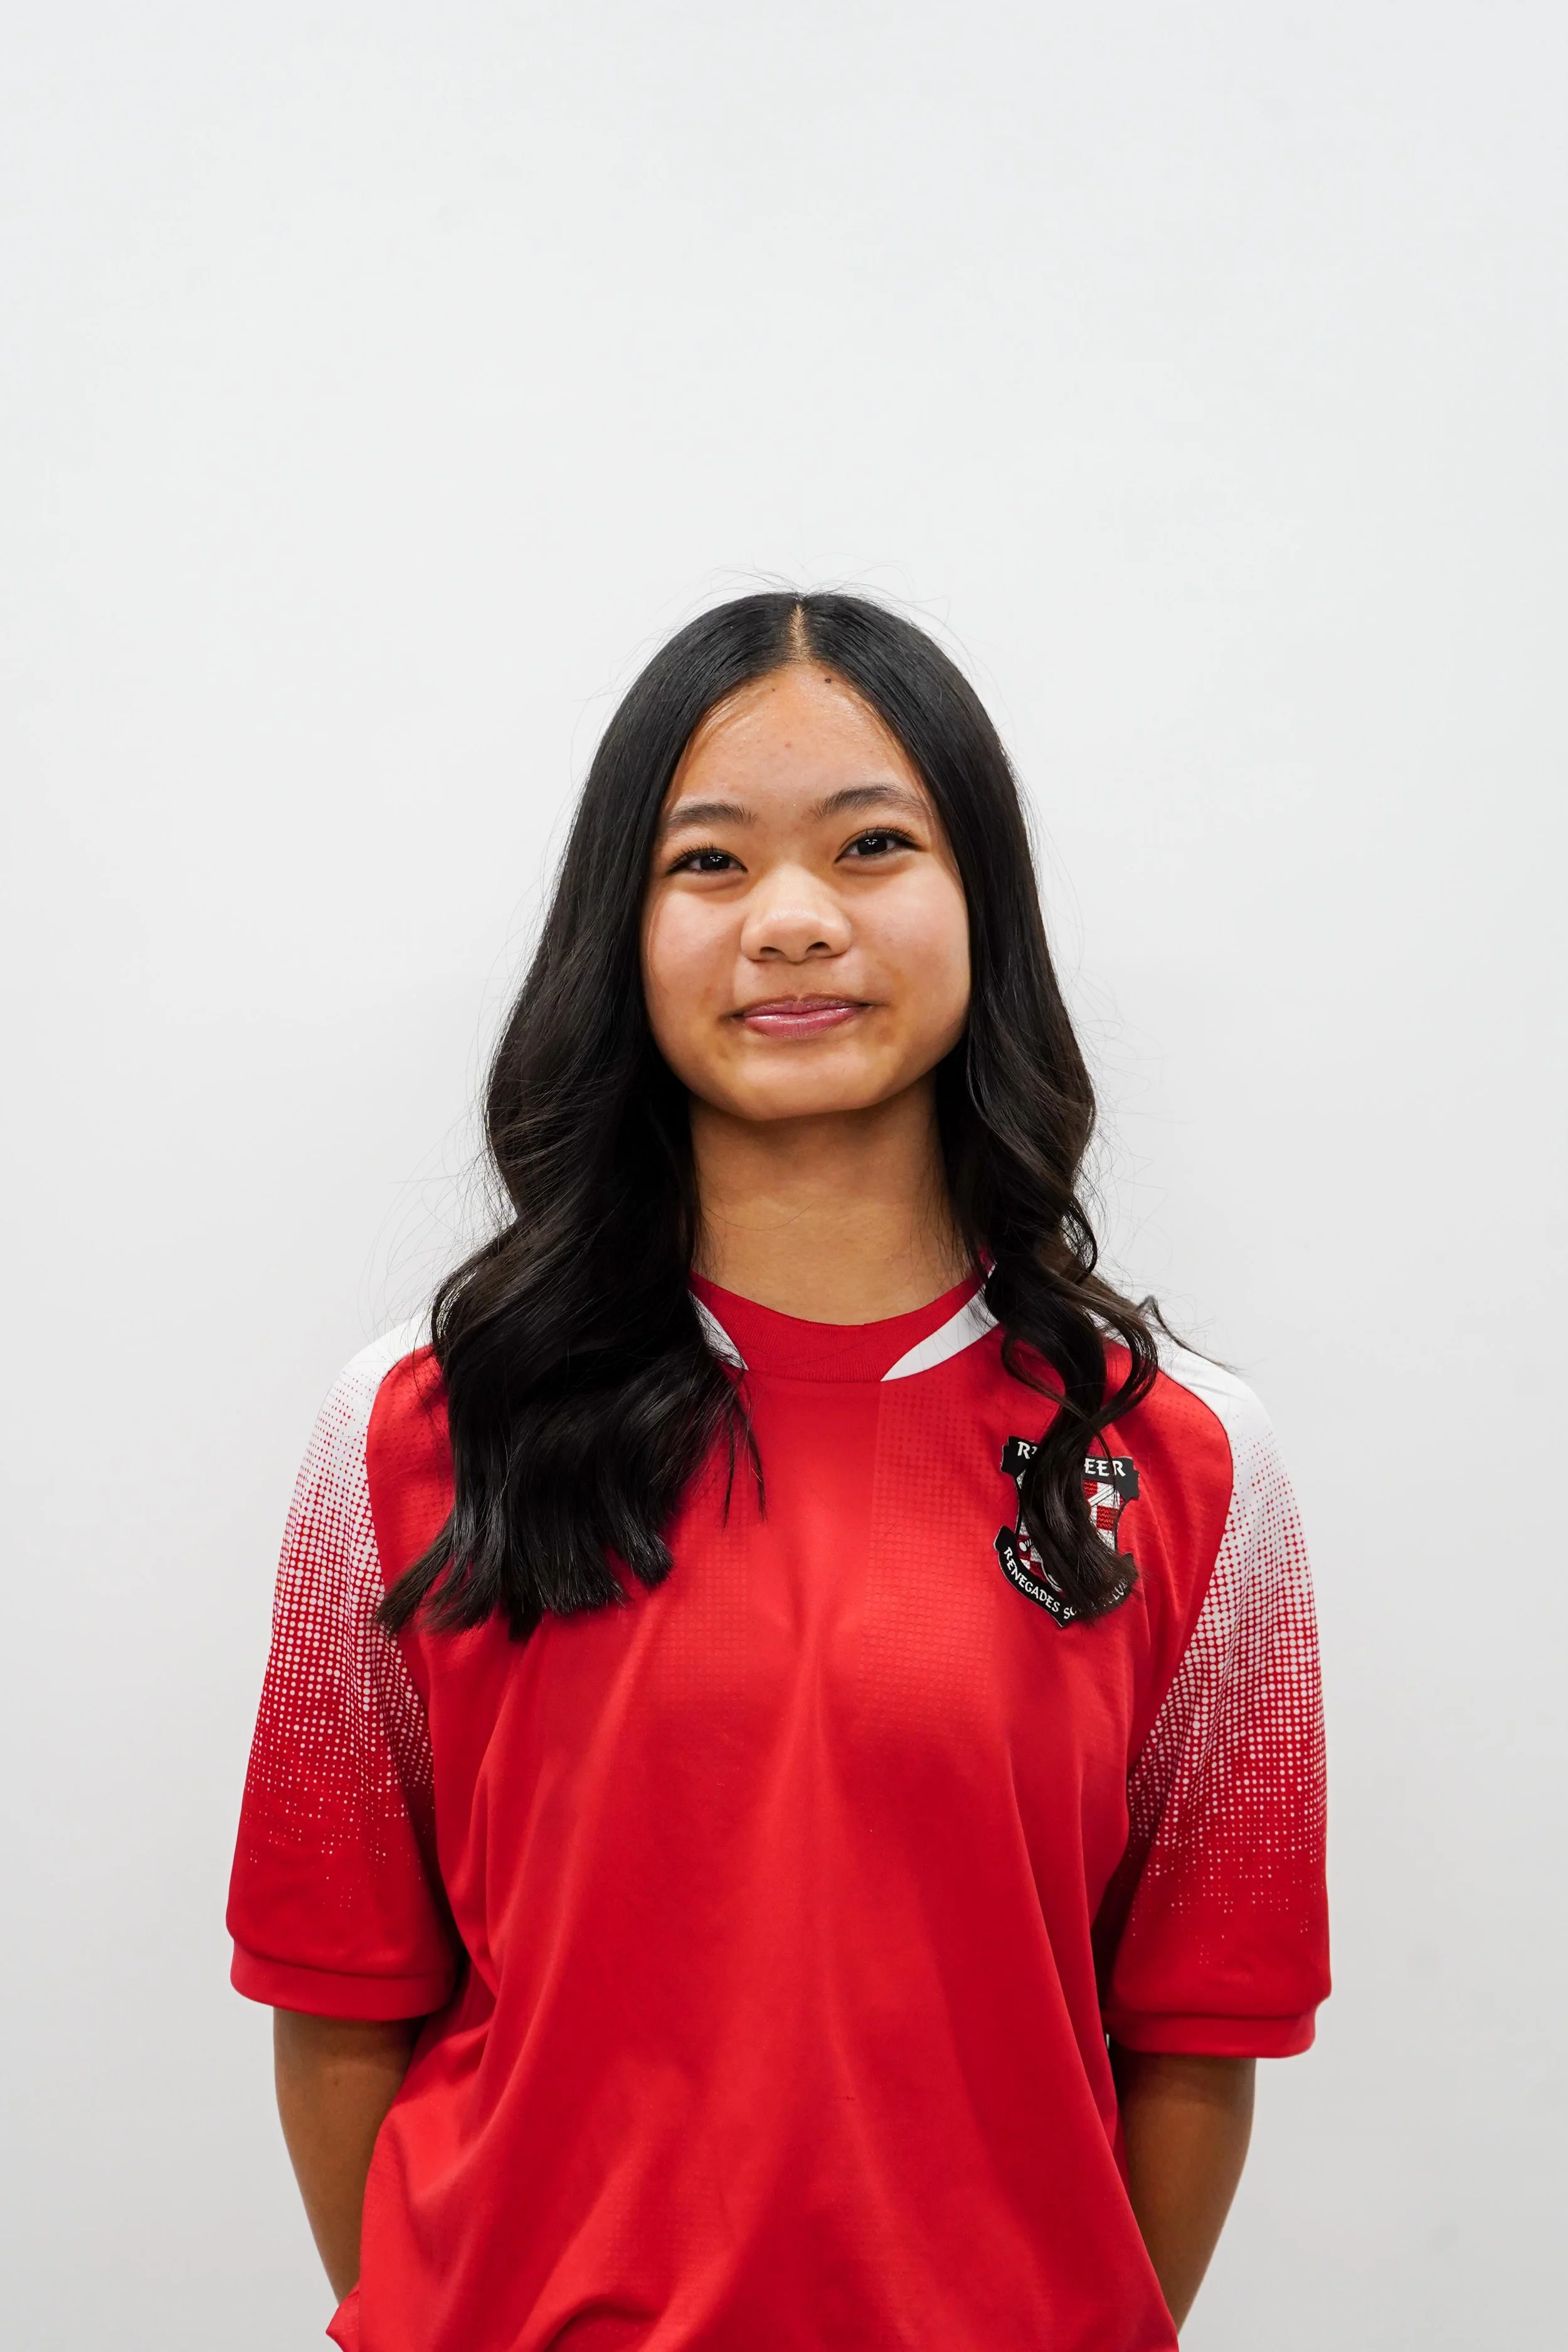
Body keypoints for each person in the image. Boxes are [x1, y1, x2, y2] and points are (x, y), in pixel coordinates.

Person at [228, 591, 1329, 2352]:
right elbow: (340, 1991)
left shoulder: (1187, 1460)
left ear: (984, 905)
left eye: (873, 845)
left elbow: (1190, 2034)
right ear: (622, 927)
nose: (796, 921)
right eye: (710, 863)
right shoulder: (421, 1428)